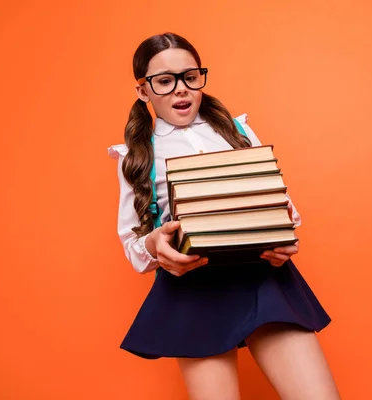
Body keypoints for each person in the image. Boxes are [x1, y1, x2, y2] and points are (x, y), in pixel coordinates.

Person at [108, 32, 340, 400]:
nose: (181, 89)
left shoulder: (238, 130)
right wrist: (155, 244)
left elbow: (282, 205)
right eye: (165, 81)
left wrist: (283, 237)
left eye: (190, 77)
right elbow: (135, 246)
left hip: (262, 279)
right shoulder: (136, 156)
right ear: (143, 92)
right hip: (194, 290)